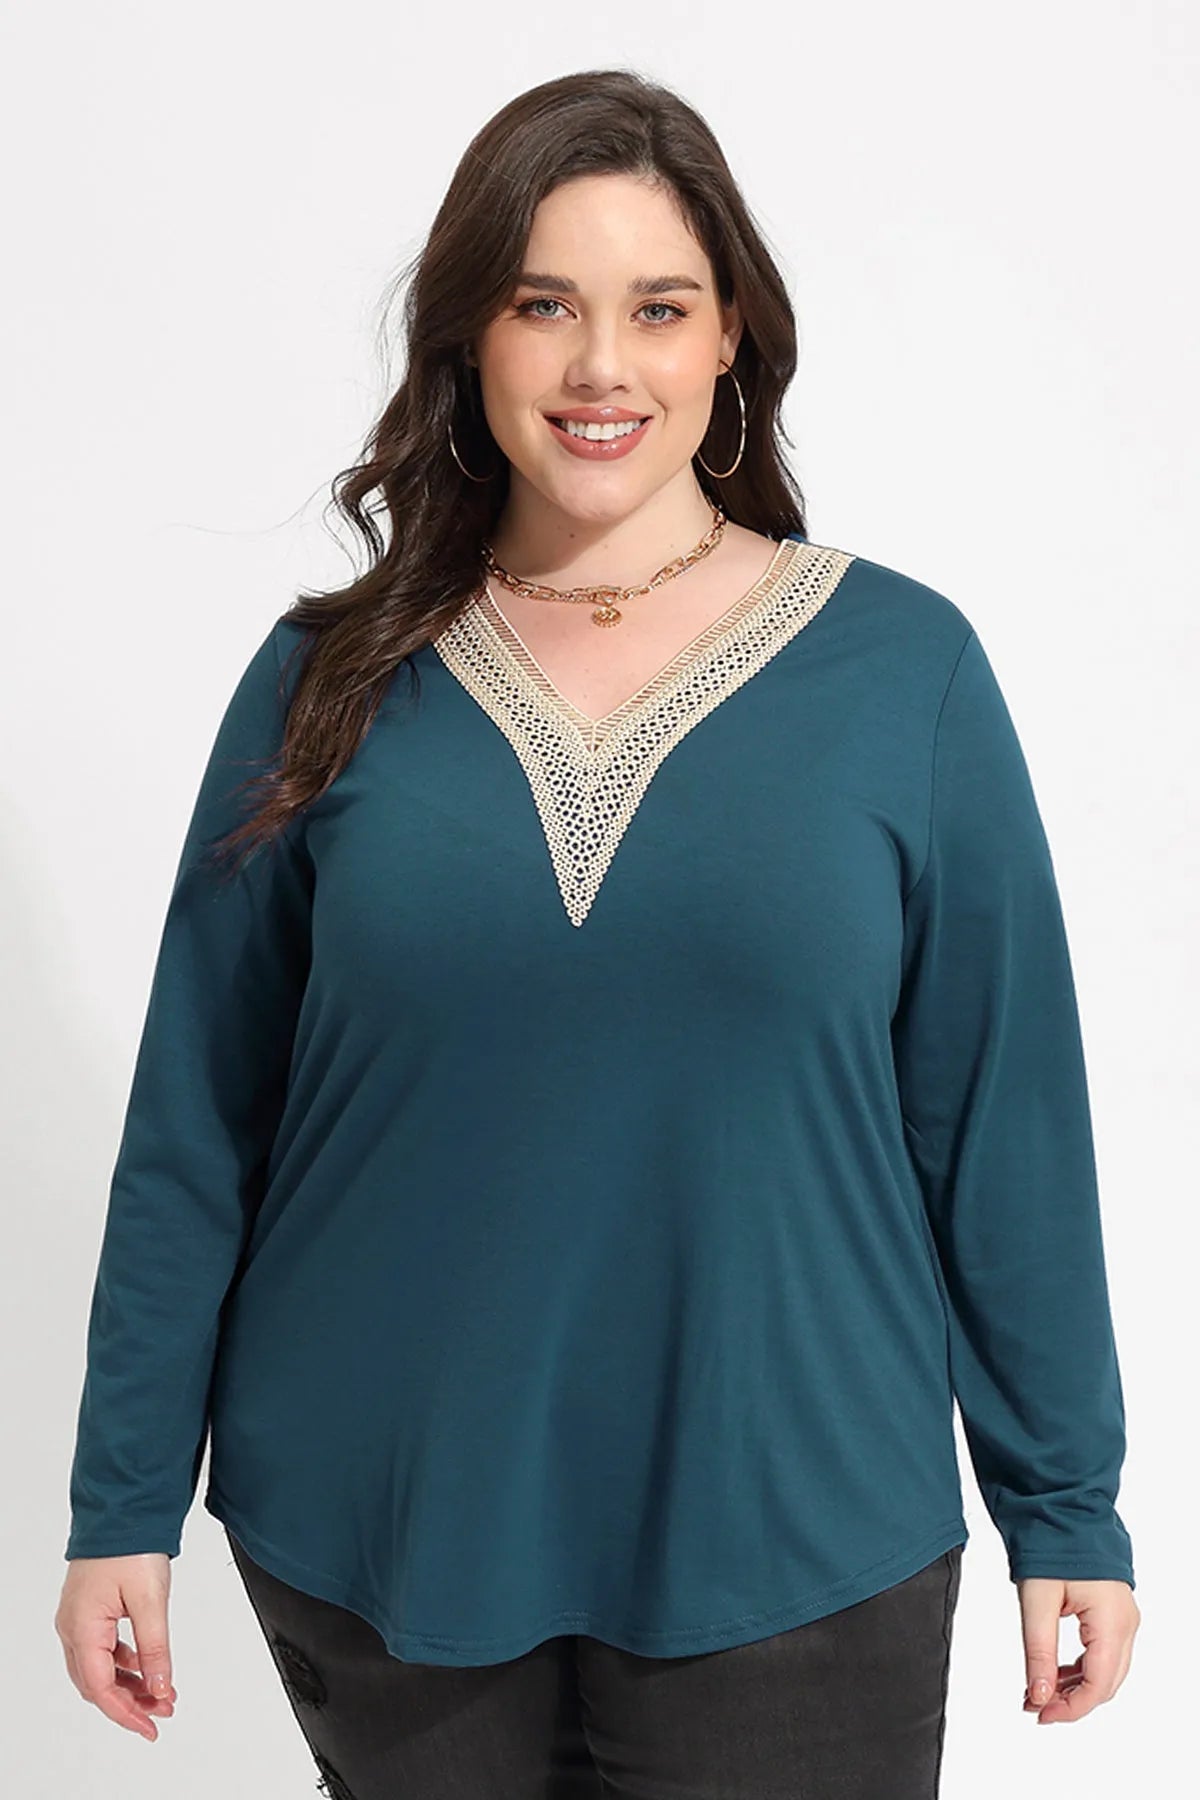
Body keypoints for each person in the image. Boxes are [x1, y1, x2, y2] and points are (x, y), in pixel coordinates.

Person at [55, 67, 1139, 1800]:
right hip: (389, 1531)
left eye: (659, 307)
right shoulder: (330, 679)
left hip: (796, 1534)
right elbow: (200, 1116)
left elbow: (1003, 1120)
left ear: (731, 342)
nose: (599, 367)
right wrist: (122, 1500)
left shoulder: (904, 674)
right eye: (542, 304)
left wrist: (1063, 1502)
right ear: (469, 339)